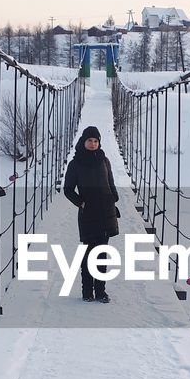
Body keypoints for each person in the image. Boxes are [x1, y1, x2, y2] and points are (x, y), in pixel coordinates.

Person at [63, 125, 119, 302]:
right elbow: (68, 189)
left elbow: (111, 182)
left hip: (105, 212)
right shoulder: (75, 164)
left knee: (102, 254)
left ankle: (101, 291)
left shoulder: (105, 161)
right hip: (88, 213)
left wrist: (114, 198)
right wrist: (81, 203)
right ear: (83, 141)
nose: (93, 144)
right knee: (88, 253)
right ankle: (87, 291)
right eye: (90, 140)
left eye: (96, 141)